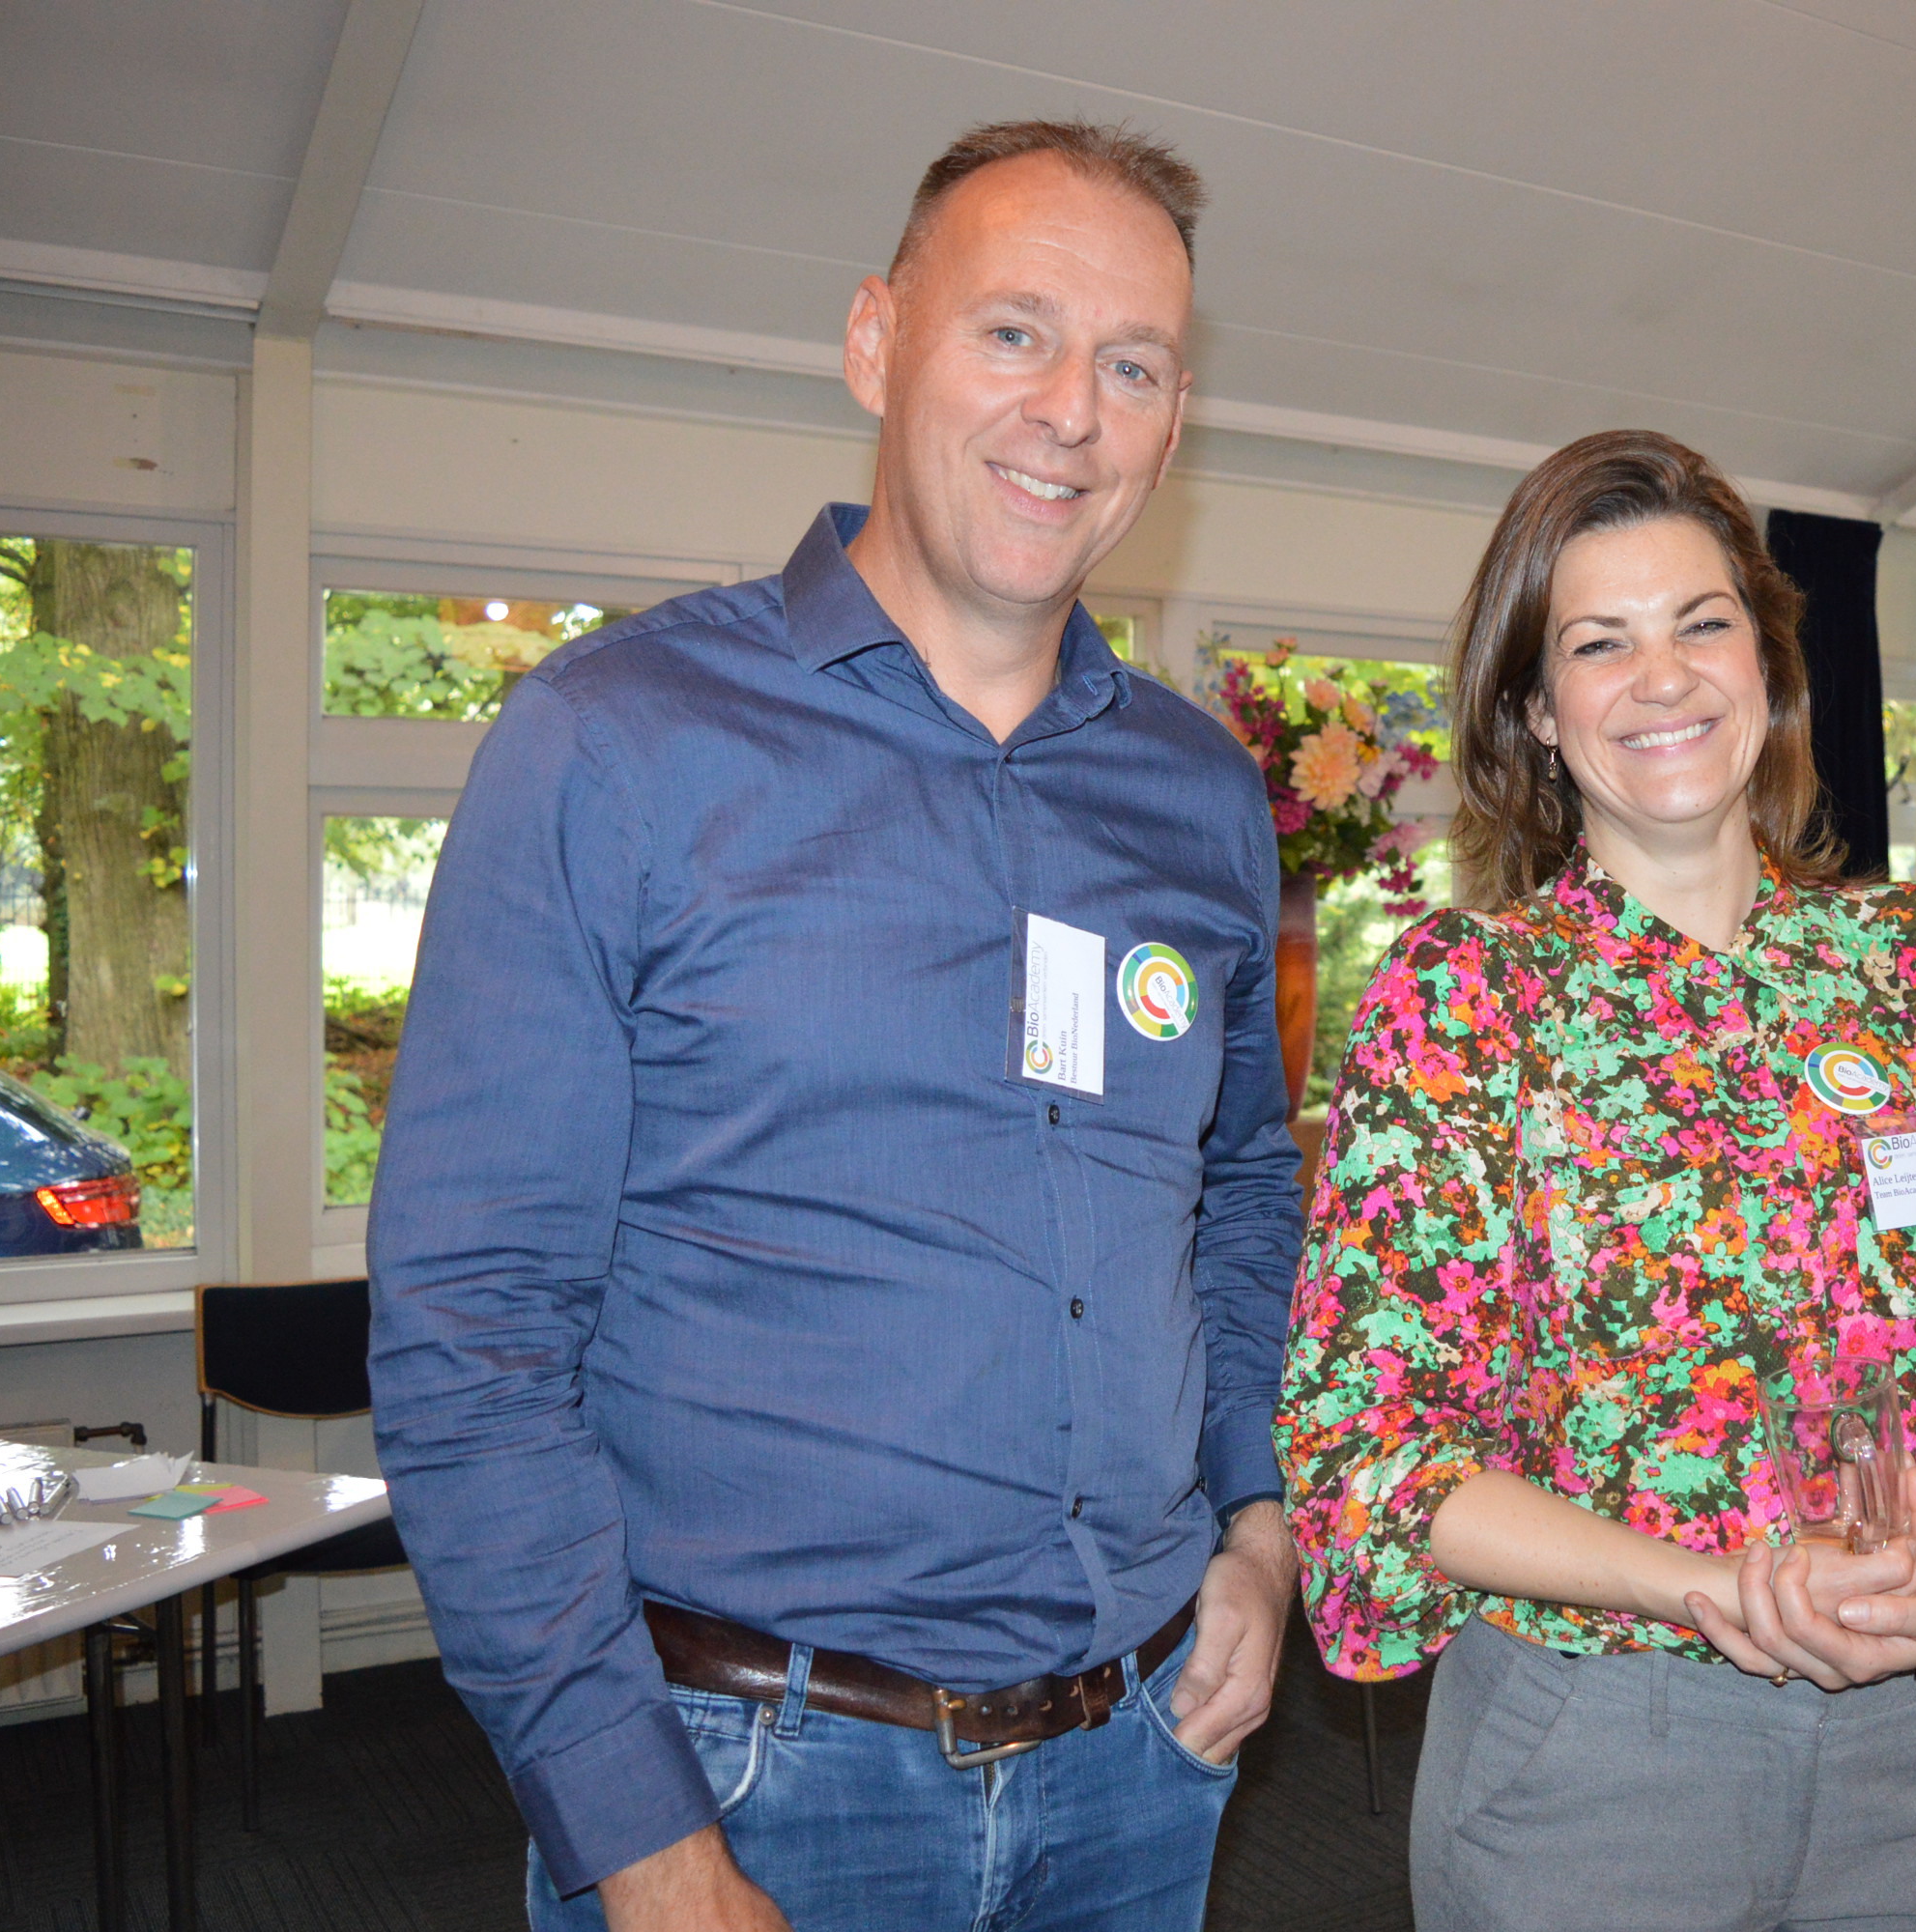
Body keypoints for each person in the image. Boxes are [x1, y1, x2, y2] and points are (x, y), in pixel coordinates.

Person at [369, 121, 1304, 1932]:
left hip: (1142, 1765)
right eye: (1014, 334)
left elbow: (1244, 1186)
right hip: (750, 1783)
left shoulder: (1198, 794)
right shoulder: (619, 741)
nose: (1070, 413)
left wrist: (1259, 1527)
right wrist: (635, 1836)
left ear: (1175, 421)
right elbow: (474, 1324)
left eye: (1133, 367)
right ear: (877, 342)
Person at [1275, 430, 1916, 1930]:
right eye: (1598, 643)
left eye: (1701, 624)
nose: (1663, 677)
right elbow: (1371, 1449)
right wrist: (1696, 1581)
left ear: (1768, 661)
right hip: (1594, 1762)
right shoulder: (1467, 1000)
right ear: (1537, 711)